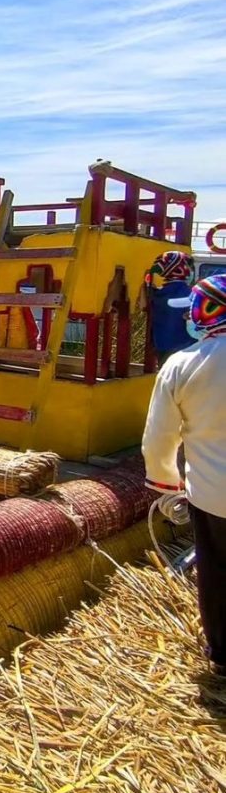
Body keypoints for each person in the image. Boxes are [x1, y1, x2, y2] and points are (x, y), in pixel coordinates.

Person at [142, 273, 226, 677]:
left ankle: (223, 656)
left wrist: (167, 485)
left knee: (217, 573)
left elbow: (159, 438)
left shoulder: (183, 365)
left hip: (214, 496)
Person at [143, 250, 195, 365]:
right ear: (180, 268)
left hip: (162, 347)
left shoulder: (156, 294)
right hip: (187, 348)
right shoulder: (190, 293)